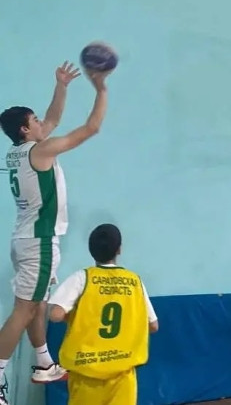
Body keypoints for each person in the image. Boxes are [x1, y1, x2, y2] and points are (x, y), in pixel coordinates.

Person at [0, 61, 110, 405]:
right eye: (34, 121)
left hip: (25, 239)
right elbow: (91, 128)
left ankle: (44, 363)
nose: (41, 124)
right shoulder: (41, 150)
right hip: (40, 241)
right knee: (24, 310)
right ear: (25, 129)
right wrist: (101, 89)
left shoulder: (18, 151)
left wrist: (61, 86)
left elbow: (52, 120)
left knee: (38, 305)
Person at [48, 223, 159, 405]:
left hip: (86, 373)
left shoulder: (82, 278)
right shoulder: (135, 281)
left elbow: (55, 315)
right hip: (123, 375)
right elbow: (153, 326)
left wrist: (77, 316)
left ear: (91, 250)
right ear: (119, 249)